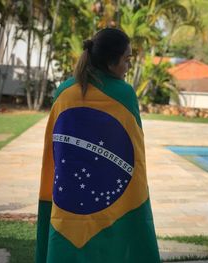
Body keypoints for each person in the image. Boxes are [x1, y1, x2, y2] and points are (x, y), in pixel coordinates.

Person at [36, 28, 160, 263]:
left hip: (68, 200)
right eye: (127, 59)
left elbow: (54, 153)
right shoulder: (123, 94)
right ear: (112, 61)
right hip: (116, 202)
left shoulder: (63, 92)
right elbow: (135, 154)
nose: (128, 66)